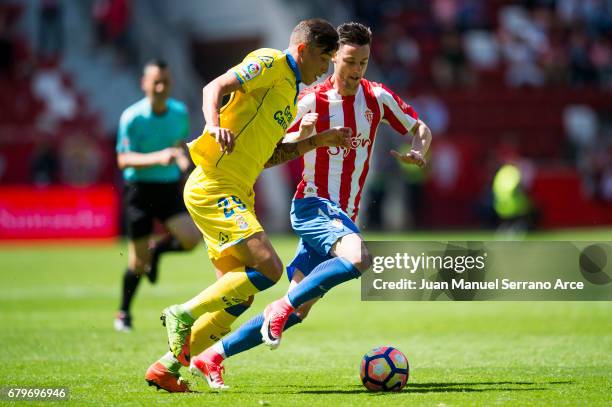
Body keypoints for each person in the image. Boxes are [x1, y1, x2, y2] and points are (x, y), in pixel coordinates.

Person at [188, 22, 432, 389]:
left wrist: (418, 150)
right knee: (360, 258)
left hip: (342, 218)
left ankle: (212, 356)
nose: (356, 70)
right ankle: (280, 308)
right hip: (314, 205)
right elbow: (271, 148)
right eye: (350, 61)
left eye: (364, 62)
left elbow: (420, 127)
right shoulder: (309, 100)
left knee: (297, 310)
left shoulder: (377, 97)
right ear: (334, 57)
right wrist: (303, 136)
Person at [144, 19, 351, 393]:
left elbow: (266, 156)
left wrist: (315, 140)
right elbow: (215, 86)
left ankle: (167, 367)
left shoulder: (289, 97)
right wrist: (211, 125)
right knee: (271, 268)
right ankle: (182, 313)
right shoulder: (271, 63)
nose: (326, 69)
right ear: (303, 50)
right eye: (324, 58)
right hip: (214, 186)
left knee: (240, 293)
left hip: (237, 191)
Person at [114, 60, 200, 332]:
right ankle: (124, 313)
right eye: (156, 82)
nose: (161, 87)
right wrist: (160, 157)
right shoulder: (132, 117)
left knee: (191, 239)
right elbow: (123, 160)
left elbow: (176, 147)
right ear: (144, 84)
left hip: (167, 188)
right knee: (137, 263)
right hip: (138, 191)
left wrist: (181, 160)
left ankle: (158, 250)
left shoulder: (179, 113)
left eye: (165, 82)